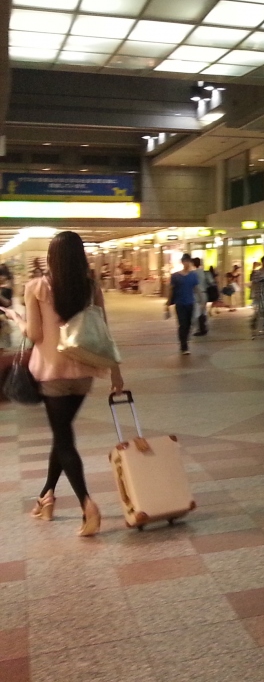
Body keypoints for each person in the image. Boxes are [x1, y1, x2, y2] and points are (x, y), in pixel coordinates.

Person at [26, 230, 125, 537]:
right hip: (83, 373)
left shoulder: (37, 287)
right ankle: (46, 497)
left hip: (52, 373)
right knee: (62, 436)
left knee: (64, 440)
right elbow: (103, 333)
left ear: (51, 258)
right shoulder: (90, 287)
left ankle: (87, 505)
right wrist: (116, 372)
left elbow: (35, 334)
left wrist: (20, 322)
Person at [166, 254, 200, 354]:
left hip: (190, 303)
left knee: (189, 324)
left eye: (188, 261)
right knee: (182, 324)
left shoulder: (193, 275)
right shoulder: (175, 276)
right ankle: (184, 346)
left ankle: (185, 340)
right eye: (185, 261)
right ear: (182, 262)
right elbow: (171, 290)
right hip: (180, 303)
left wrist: (201, 300)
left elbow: (196, 288)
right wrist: (168, 303)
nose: (187, 263)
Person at [192, 258, 212, 335]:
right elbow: (211, 282)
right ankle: (204, 327)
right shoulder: (204, 272)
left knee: (197, 312)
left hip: (197, 294)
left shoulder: (193, 273)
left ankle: (199, 329)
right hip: (205, 293)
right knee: (203, 311)